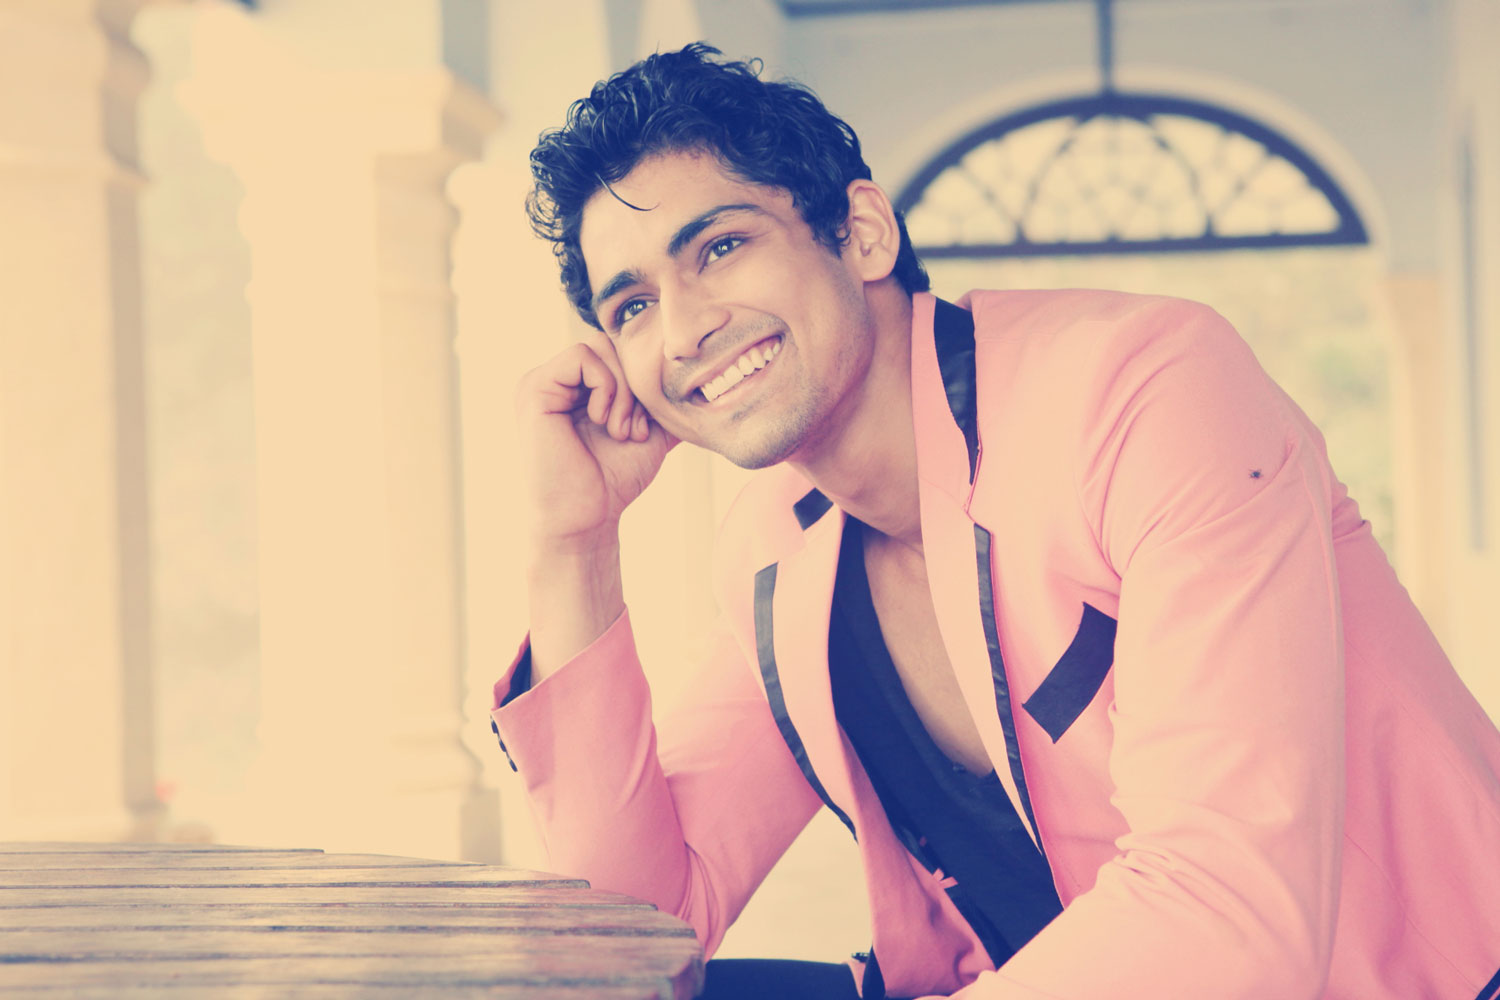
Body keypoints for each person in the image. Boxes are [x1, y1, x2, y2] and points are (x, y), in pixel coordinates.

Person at [493, 43, 1500, 1000]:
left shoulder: (1145, 393)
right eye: (632, 308)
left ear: (863, 232)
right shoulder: (777, 549)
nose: (683, 328)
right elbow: (628, 939)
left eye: (721, 247)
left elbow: (1229, 914)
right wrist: (572, 546)